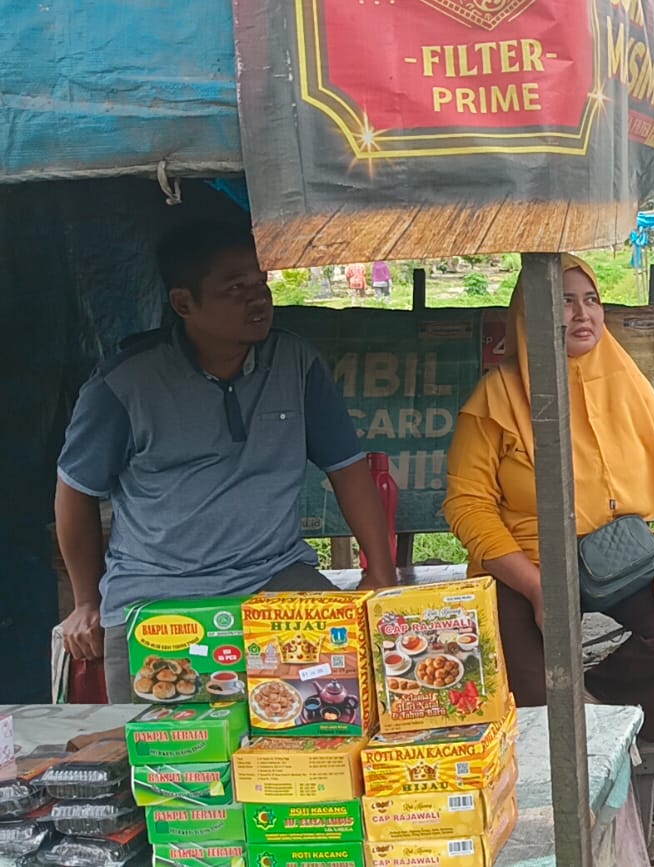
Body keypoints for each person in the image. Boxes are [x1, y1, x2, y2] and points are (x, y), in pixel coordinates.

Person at [55, 221, 398, 702]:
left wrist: (380, 570)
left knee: (337, 713)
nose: (258, 300)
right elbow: (76, 492)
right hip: (156, 594)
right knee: (160, 756)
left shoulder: (296, 363)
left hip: (275, 577)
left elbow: (347, 466)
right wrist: (87, 600)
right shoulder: (122, 385)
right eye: (236, 289)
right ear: (183, 303)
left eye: (262, 285)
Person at [443, 254, 654, 742]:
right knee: (534, 697)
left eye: (591, 300)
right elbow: (466, 505)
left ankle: (605, 718)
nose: (582, 314)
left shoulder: (625, 379)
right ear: (532, 314)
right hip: (526, 565)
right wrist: (537, 589)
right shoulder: (495, 398)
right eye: (564, 302)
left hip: (619, 554)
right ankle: (570, 719)